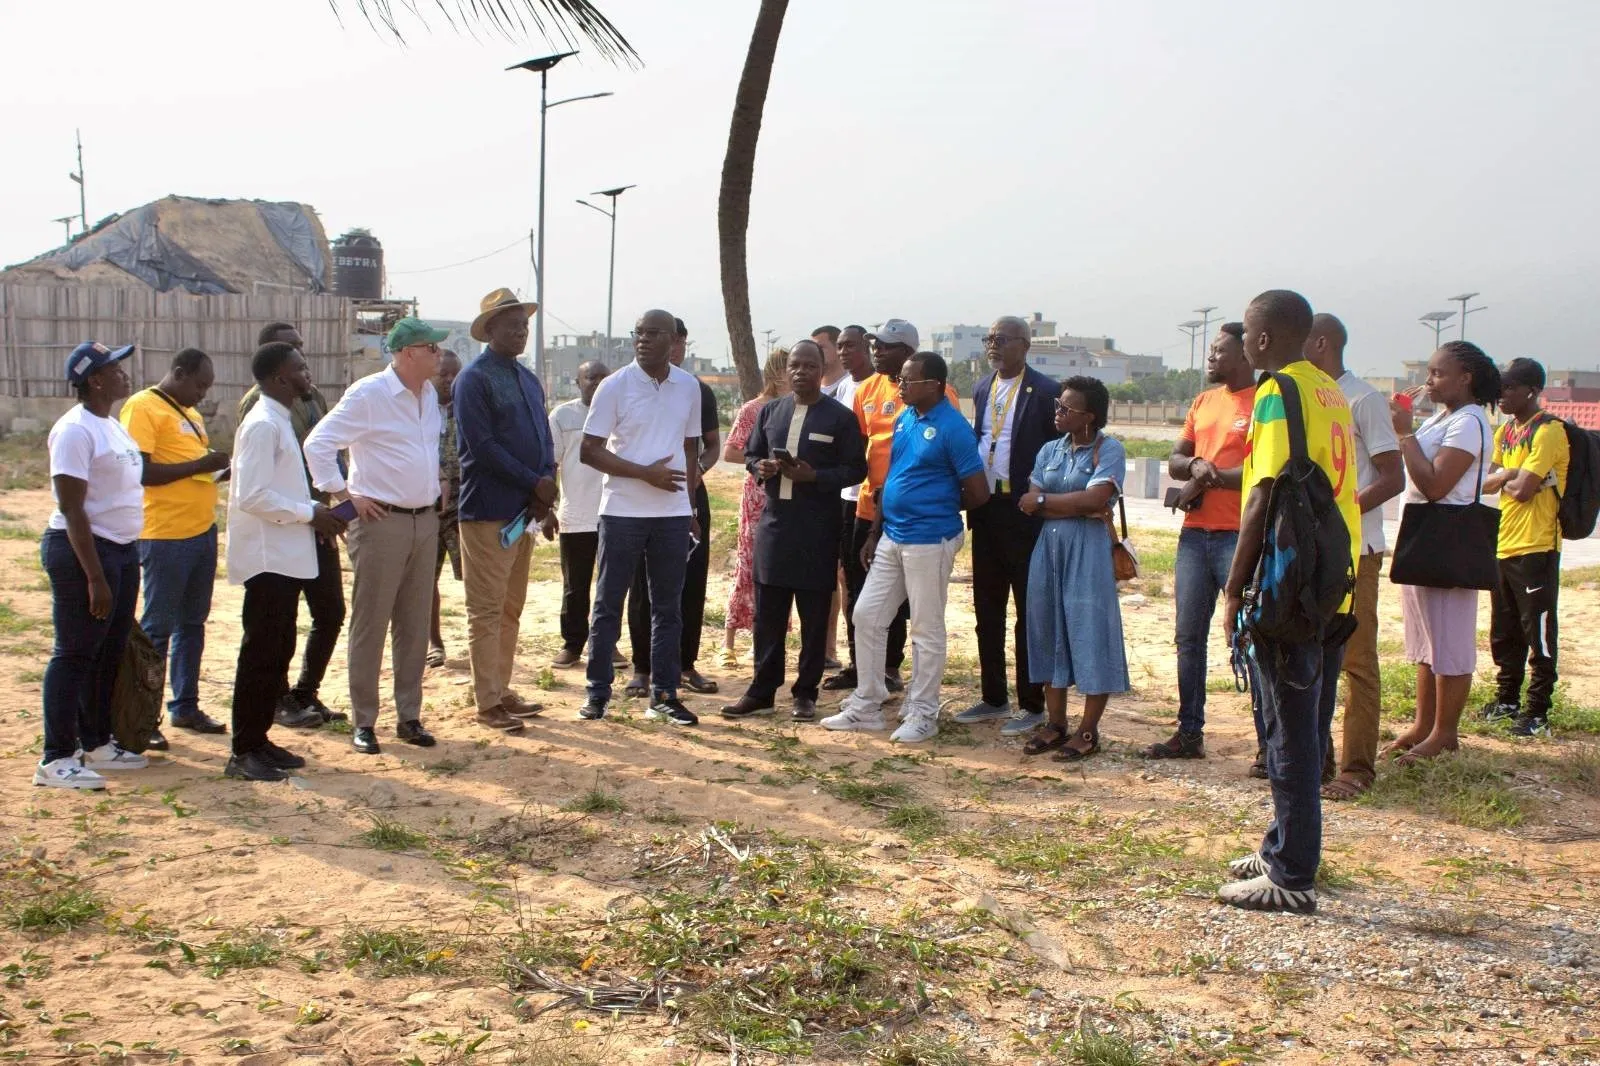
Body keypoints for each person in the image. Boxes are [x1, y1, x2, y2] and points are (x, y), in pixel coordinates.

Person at [1220, 289, 1359, 915]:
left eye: (1248, 334)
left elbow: (1262, 496)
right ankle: (1286, 841)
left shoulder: (1278, 392)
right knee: (1308, 714)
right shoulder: (1329, 390)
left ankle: (1292, 872)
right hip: (1335, 571)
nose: (1245, 345)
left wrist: (1233, 586)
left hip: (1292, 577)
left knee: (1288, 726)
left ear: (1266, 339)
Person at [821, 352, 989, 743]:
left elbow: (978, 493)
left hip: (930, 540)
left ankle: (923, 712)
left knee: (926, 630)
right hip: (892, 535)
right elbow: (892, 477)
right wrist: (875, 530)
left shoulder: (953, 428)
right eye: (900, 380)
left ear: (933, 385)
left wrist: (935, 501)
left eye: (908, 381)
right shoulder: (906, 418)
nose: (900, 387)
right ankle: (868, 703)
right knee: (867, 615)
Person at [304, 317, 447, 755]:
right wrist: (344, 499)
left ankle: (409, 716)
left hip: (424, 521)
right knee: (372, 623)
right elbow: (317, 444)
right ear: (407, 353)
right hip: (381, 522)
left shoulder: (428, 395)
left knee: (414, 623)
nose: (439, 354)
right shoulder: (369, 394)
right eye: (431, 348)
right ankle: (364, 721)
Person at [722, 341, 866, 721]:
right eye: (795, 366)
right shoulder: (770, 412)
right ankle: (762, 691)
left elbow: (856, 469)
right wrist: (761, 469)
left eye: (809, 366)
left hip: (817, 528)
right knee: (767, 616)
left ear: (821, 370)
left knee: (814, 616)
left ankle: (806, 693)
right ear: (786, 372)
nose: (801, 372)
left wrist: (814, 476)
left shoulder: (839, 417)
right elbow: (750, 455)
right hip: (773, 526)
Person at [224, 342, 348, 781]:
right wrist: (309, 512)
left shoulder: (277, 421)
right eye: (300, 368)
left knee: (277, 652)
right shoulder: (261, 425)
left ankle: (259, 740)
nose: (307, 373)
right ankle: (243, 751)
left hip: (286, 555)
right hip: (267, 557)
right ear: (279, 377)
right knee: (260, 655)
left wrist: (314, 515)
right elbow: (251, 495)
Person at [579, 309, 704, 725]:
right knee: (608, 603)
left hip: (671, 515)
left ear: (674, 341)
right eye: (639, 333)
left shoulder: (688, 388)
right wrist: (644, 474)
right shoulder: (614, 386)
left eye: (654, 334)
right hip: (622, 512)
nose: (643, 340)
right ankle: (597, 693)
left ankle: (664, 694)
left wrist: (688, 506)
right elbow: (590, 450)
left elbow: (690, 450)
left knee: (668, 608)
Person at [1143, 322, 1256, 762]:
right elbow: (1175, 460)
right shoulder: (1204, 401)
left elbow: (1262, 474)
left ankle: (1268, 743)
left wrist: (1209, 475)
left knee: (1247, 636)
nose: (1210, 358)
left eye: (1219, 350)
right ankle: (1189, 733)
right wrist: (1195, 465)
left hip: (1239, 537)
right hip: (1194, 536)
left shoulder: (1265, 402)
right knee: (1188, 637)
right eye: (1210, 350)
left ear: (1245, 353)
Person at [35, 342, 146, 789]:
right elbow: (73, 508)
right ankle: (56, 757)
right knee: (75, 652)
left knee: (108, 650)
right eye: (115, 369)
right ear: (94, 379)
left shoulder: (111, 425)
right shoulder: (74, 431)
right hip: (83, 551)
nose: (124, 374)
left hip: (121, 548)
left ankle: (96, 741)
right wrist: (94, 577)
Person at [827, 319, 959, 693]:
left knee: (904, 602)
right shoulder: (865, 390)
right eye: (876, 345)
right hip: (868, 507)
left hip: (915, 516)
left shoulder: (938, 393)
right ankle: (860, 668)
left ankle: (890, 668)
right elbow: (856, 450)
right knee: (858, 588)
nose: (877, 351)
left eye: (885, 346)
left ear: (909, 353)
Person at [1385, 341, 1500, 764]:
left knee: (1449, 638)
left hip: (1449, 537)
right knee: (1425, 637)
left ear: (1465, 378)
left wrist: (1404, 433)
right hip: (1424, 533)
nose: (1428, 382)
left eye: (1437, 374)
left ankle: (1445, 732)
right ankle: (1423, 723)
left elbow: (1436, 485)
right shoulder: (1444, 416)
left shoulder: (1470, 422)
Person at [1304, 314, 1404, 799]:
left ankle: (1357, 768)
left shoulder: (1362, 398)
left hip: (1356, 551)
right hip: (1315, 552)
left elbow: (1391, 476)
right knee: (1313, 657)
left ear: (1320, 343)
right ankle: (1316, 760)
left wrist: (1337, 512)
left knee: (1357, 661)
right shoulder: (1309, 396)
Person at [452, 288, 559, 733]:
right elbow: (484, 448)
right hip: (489, 510)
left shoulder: (527, 378)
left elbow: (543, 436)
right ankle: (486, 701)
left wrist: (545, 490)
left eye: (524, 325)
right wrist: (533, 482)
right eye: (512, 325)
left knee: (511, 606)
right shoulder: (474, 380)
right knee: (487, 608)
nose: (520, 332)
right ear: (489, 329)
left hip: (524, 513)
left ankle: (502, 686)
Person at [952, 316, 1061, 737]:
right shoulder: (982, 388)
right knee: (987, 607)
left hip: (1024, 511)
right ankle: (993, 697)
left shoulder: (1046, 391)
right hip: (986, 508)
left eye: (1001, 339)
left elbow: (1056, 450)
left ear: (1025, 344)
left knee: (1026, 611)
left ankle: (1032, 703)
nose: (992, 346)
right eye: (989, 339)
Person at [120, 347, 230, 749]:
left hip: (201, 531)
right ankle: (143, 716)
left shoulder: (192, 414)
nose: (202, 393)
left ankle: (185, 705)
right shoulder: (143, 407)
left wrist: (220, 468)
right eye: (199, 384)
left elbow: (194, 465)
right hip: (164, 535)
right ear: (179, 373)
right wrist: (200, 467)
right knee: (157, 630)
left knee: (192, 624)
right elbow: (141, 470)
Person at [1016, 377, 1129, 762]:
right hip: (1048, 549)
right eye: (1058, 407)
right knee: (1047, 627)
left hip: (1088, 552)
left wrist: (1049, 501)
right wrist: (1070, 503)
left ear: (1089, 416)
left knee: (1089, 630)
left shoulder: (1109, 450)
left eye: (1067, 409)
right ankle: (1055, 722)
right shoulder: (1050, 449)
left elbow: (1097, 497)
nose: (1058, 414)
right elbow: (1028, 502)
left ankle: (1088, 730)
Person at [625, 317, 720, 697]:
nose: (673, 347)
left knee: (691, 581)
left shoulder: (698, 390)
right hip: (642, 498)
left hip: (688, 497)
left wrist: (698, 472)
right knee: (642, 584)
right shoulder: (628, 386)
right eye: (658, 337)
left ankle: (686, 664)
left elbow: (711, 445)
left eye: (678, 340)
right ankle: (642, 668)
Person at [1483, 357, 1569, 738]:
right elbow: (1490, 482)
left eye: (1509, 388)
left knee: (1538, 631)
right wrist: (1512, 475)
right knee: (1504, 631)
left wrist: (1510, 477)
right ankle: (1507, 700)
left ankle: (1537, 711)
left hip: (1538, 545)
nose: (1501, 395)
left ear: (1532, 390)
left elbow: (1520, 490)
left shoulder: (1549, 431)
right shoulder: (1506, 431)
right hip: (1505, 544)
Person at [719, 348, 790, 668]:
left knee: (777, 572)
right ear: (777, 373)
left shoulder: (796, 409)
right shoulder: (753, 409)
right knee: (747, 567)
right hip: (756, 499)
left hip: (786, 498)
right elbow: (731, 452)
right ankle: (729, 640)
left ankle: (766, 639)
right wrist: (759, 461)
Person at [546, 360, 613, 668]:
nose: (598, 382)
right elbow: (550, 464)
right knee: (576, 585)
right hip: (576, 515)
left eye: (603, 378)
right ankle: (573, 644)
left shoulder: (618, 414)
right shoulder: (562, 416)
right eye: (591, 377)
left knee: (610, 585)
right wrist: (548, 508)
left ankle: (607, 644)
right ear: (578, 382)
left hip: (614, 514)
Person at [826, 326, 876, 679]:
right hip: (845, 496)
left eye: (851, 346)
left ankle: (882, 665)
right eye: (839, 347)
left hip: (874, 499)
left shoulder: (882, 386)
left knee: (873, 581)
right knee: (848, 577)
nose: (844, 353)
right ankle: (857, 663)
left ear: (867, 348)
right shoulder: (843, 387)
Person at [427, 349, 464, 669]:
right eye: (444, 374)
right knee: (426, 579)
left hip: (463, 508)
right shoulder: (417, 409)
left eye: (455, 374)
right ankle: (434, 644)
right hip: (425, 508)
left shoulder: (467, 411)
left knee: (476, 577)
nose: (450, 381)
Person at [814, 325, 845, 396]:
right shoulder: (806, 392)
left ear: (838, 348)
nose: (814, 352)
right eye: (812, 348)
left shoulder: (856, 386)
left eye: (820, 347)